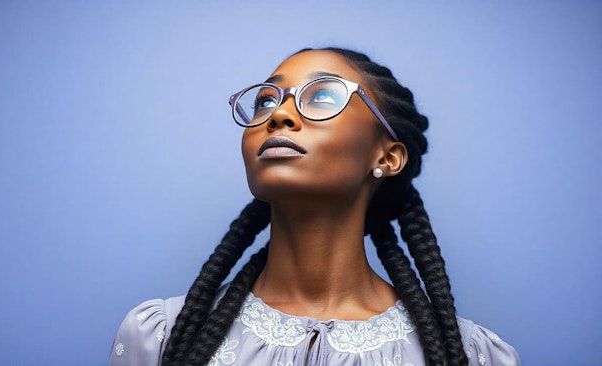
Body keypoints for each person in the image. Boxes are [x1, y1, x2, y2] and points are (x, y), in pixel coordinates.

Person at [109, 47, 521, 366]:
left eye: (322, 95)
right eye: (265, 101)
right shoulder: (164, 336)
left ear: (387, 157)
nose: (280, 113)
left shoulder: (465, 355)